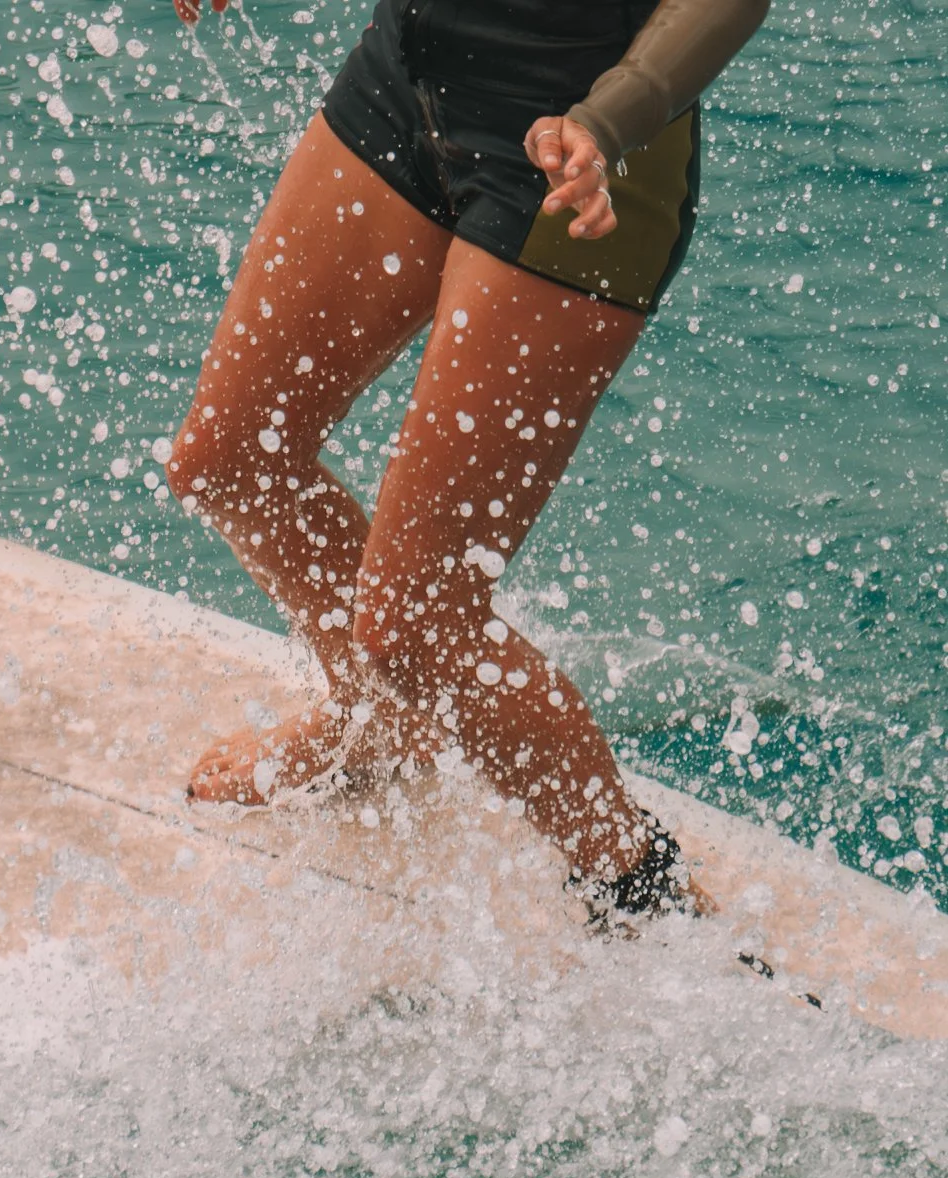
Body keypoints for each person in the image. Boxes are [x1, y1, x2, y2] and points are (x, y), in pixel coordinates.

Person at [166, 0, 768, 924]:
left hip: (581, 148)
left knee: (414, 620)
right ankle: (373, 725)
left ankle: (639, 888)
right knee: (234, 454)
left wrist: (607, 121)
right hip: (408, 80)